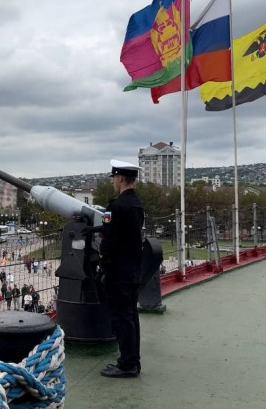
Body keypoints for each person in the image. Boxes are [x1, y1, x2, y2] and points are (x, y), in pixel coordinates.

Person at [94, 159, 145, 379]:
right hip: (133, 269)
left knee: (121, 318)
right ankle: (133, 360)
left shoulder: (114, 207)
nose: (113, 181)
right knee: (131, 316)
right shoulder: (136, 204)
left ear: (121, 178)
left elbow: (109, 240)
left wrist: (103, 265)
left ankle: (126, 365)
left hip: (117, 272)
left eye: (114, 177)